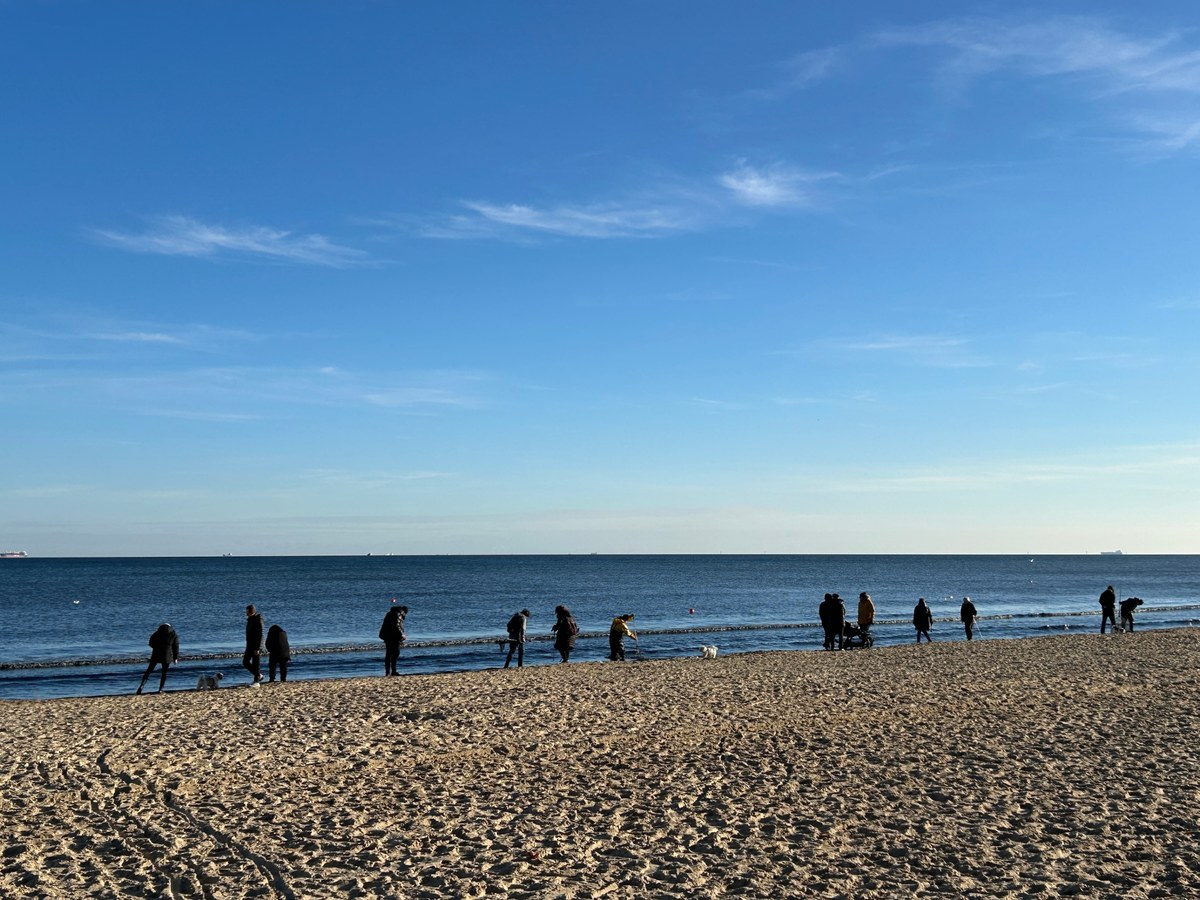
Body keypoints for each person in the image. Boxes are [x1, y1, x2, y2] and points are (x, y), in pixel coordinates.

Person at [136, 622, 179, 694]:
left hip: (156, 653)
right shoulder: (173, 633)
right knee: (164, 672)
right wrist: (175, 657)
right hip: (167, 654)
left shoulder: (157, 632)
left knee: (149, 670)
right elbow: (176, 646)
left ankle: (141, 686)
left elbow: (150, 642)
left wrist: (156, 647)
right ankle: (160, 689)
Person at [378, 604, 408, 676]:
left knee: (388, 654)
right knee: (396, 653)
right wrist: (402, 634)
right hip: (394, 636)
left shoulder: (390, 613)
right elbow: (397, 625)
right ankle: (393, 671)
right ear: (404, 611)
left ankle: (387, 672)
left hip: (387, 636)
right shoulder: (399, 614)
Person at [244, 604, 265, 684]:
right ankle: (259, 675)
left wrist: (258, 648)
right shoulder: (250, 620)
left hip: (256, 646)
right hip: (249, 645)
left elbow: (261, 634)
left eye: (247, 612)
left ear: (251, 611)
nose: (246, 613)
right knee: (245, 662)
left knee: (256, 664)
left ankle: (256, 680)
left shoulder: (258, 619)